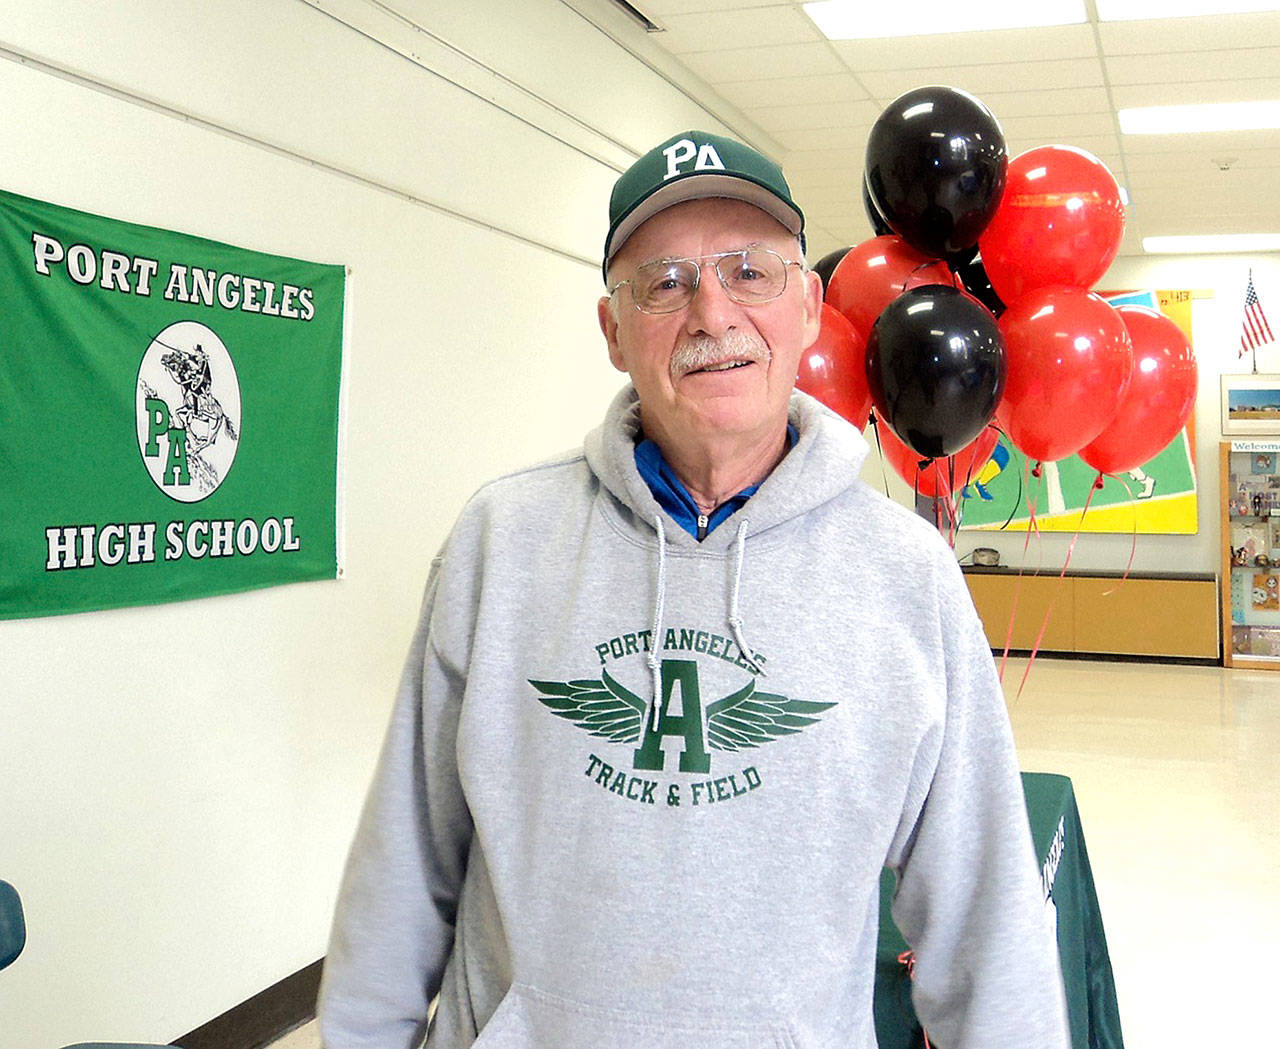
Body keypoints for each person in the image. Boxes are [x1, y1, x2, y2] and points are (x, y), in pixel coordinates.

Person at [318, 130, 1071, 1048]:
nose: (712, 312)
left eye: (750, 270)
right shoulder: (500, 542)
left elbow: (989, 929)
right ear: (613, 332)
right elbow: (403, 870)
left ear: (807, 304)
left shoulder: (907, 578)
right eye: (665, 282)